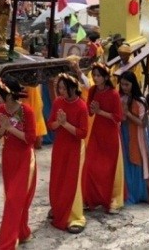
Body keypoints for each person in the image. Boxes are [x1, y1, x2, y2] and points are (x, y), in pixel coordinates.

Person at [0, 76, 37, 249]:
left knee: (13, 200)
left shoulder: (27, 111)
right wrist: (3, 128)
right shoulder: (0, 110)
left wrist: (10, 128)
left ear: (9, 96)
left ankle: (7, 243)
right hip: (8, 157)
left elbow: (31, 139)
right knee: (14, 199)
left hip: (25, 158)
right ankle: (23, 231)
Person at [47, 73, 89, 234]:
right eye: (59, 88)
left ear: (72, 88)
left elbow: (82, 133)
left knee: (72, 182)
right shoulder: (58, 102)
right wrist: (60, 123)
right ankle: (58, 208)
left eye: (64, 88)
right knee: (58, 178)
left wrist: (65, 124)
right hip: (60, 147)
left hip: (75, 149)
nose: (61, 91)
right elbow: (51, 124)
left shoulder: (81, 106)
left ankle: (75, 216)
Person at [81, 62, 124, 214]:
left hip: (110, 134)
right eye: (94, 75)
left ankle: (111, 199)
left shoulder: (113, 94)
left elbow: (118, 117)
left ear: (106, 77)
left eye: (99, 75)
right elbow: (90, 112)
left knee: (108, 168)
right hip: (97, 132)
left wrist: (100, 111)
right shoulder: (92, 90)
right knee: (91, 166)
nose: (96, 78)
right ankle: (90, 198)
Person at [118, 71, 149, 205]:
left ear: (133, 84)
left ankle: (139, 192)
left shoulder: (140, 101)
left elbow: (143, 123)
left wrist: (128, 114)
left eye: (127, 84)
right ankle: (128, 192)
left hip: (138, 136)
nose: (124, 87)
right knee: (127, 161)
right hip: (125, 133)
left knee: (138, 161)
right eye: (122, 84)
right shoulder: (120, 99)